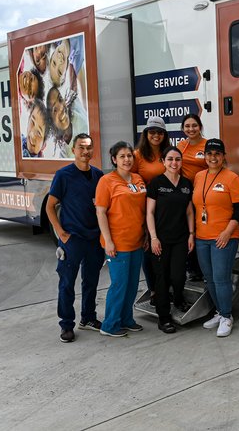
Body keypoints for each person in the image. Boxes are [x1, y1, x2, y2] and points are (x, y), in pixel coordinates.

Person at [46, 133, 104, 343]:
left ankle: (88, 318)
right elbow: (50, 206)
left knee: (91, 281)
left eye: (89, 147)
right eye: (81, 147)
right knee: (67, 283)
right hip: (73, 239)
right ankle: (66, 325)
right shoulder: (64, 175)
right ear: (73, 150)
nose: (85, 151)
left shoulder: (98, 175)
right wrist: (61, 233)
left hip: (94, 239)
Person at [193, 138, 239, 337]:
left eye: (217, 154)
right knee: (209, 279)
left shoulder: (231, 178)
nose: (213, 157)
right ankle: (219, 311)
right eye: (209, 154)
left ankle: (227, 316)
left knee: (221, 278)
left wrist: (226, 232)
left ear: (223, 156)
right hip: (201, 237)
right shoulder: (199, 176)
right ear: (205, 156)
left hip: (224, 236)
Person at [95, 141, 148, 337]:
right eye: (122, 156)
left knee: (133, 284)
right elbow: (100, 212)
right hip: (117, 243)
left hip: (137, 241)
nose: (127, 160)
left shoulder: (138, 179)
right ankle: (109, 325)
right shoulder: (106, 181)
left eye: (129, 156)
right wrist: (108, 241)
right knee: (119, 284)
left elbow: (143, 211)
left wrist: (146, 235)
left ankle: (127, 319)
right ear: (114, 159)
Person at [146, 146, 195, 334]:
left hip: (181, 238)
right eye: (170, 159)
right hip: (161, 239)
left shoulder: (186, 184)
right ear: (163, 162)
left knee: (178, 276)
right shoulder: (156, 183)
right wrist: (154, 237)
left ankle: (179, 298)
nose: (174, 163)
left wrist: (191, 234)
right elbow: (149, 212)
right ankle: (164, 317)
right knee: (162, 278)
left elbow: (189, 211)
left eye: (178, 159)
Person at [132, 116, 170, 305]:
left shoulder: (168, 153)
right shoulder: (137, 155)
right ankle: (154, 290)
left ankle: (167, 287)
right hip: (147, 207)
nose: (156, 135)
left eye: (160, 132)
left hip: (169, 209)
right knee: (149, 249)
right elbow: (129, 179)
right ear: (146, 134)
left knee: (167, 248)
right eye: (152, 132)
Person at [177, 113, 207, 281]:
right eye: (187, 126)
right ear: (183, 129)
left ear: (200, 126)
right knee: (188, 231)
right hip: (186, 194)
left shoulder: (207, 145)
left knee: (201, 230)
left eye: (194, 125)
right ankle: (192, 268)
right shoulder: (181, 146)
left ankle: (203, 268)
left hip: (204, 194)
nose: (191, 129)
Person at [46, 86, 88, 157]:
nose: (61, 108)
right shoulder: (64, 154)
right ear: (52, 122)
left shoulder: (75, 104)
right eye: (55, 110)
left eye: (60, 99)